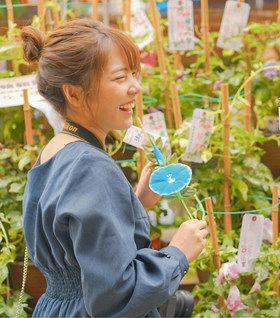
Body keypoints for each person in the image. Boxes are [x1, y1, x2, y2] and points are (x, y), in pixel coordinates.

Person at [21, 19, 208, 317]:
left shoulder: (54, 151)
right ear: (74, 94)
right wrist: (177, 254)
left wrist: (135, 202)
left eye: (134, 74)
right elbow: (114, 295)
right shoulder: (92, 166)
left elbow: (74, 239)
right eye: (120, 78)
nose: (136, 87)